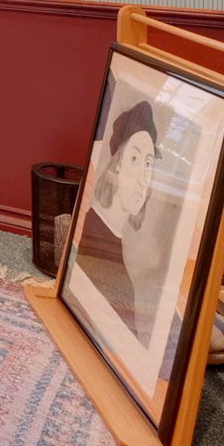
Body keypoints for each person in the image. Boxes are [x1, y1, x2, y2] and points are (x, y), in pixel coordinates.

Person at [74, 99, 173, 337]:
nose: (142, 177)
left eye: (148, 164)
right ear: (117, 164)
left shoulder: (116, 253)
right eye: (134, 159)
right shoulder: (88, 236)